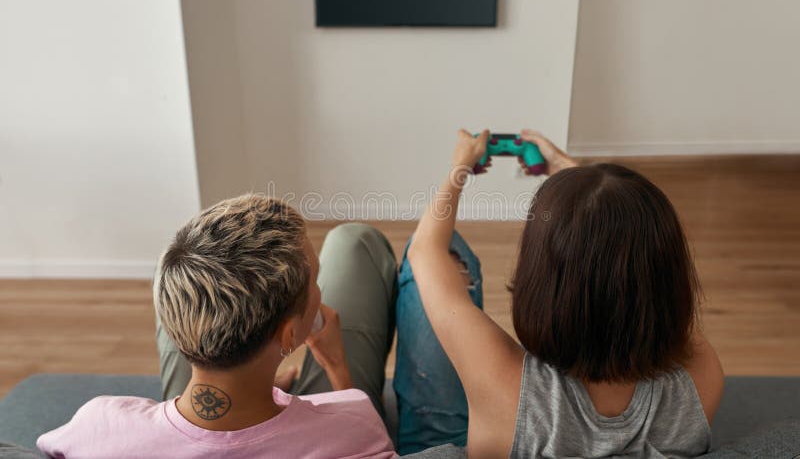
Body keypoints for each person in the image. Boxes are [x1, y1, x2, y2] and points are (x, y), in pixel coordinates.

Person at [399, 129, 725, 458]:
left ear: (540, 284)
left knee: (450, 249)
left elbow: (426, 250)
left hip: (461, 432)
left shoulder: (501, 377)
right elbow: (650, 285)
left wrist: (460, 168)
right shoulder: (703, 378)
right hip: (502, 417)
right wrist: (581, 182)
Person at [38, 196, 402, 458]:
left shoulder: (98, 424)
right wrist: (338, 368)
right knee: (355, 240)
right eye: (314, 282)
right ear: (290, 334)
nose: (320, 291)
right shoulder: (354, 425)